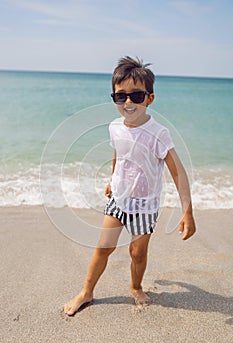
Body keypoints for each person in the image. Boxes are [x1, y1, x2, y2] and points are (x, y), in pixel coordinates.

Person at [64, 56, 196, 316]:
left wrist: (187, 211)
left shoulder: (159, 133)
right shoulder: (115, 128)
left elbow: (178, 172)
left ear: (150, 98)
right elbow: (119, 155)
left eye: (136, 96)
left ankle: (135, 287)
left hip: (145, 205)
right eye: (120, 96)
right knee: (104, 247)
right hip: (118, 199)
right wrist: (113, 180)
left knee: (137, 252)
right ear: (113, 98)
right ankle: (86, 291)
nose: (128, 102)